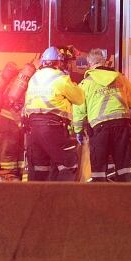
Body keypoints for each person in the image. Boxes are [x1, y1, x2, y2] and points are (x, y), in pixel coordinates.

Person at [73, 48, 131, 182]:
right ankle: (128, 194)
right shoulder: (120, 77)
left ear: (90, 65)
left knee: (99, 166)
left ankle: (100, 196)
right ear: (103, 62)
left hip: (100, 127)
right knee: (124, 164)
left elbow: (79, 110)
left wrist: (78, 131)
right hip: (122, 124)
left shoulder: (86, 84)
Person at [23, 46, 85, 181]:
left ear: (43, 62)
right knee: (69, 163)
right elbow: (79, 99)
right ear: (59, 62)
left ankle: (36, 200)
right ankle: (62, 200)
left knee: (39, 168)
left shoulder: (34, 78)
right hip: (52, 128)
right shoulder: (61, 78)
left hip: (32, 130)